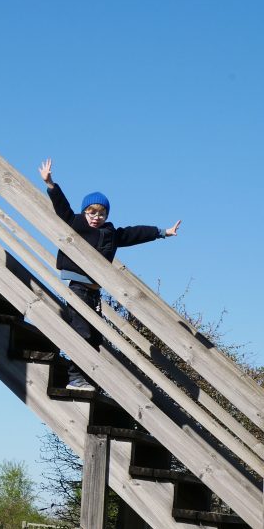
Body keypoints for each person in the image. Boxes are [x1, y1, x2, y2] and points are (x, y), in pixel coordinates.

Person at [38, 158, 181, 392]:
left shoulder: (111, 233)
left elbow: (135, 234)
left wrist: (163, 232)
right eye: (91, 212)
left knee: (95, 336)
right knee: (81, 330)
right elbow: (62, 207)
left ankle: (85, 377)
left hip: (94, 291)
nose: (96, 217)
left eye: (101, 213)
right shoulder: (76, 223)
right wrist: (51, 183)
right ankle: (75, 377)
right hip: (78, 286)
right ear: (84, 212)